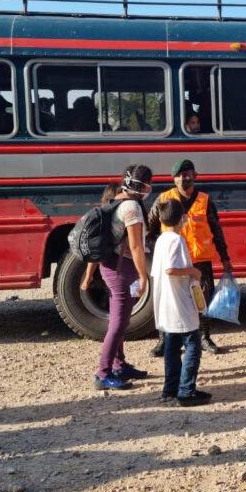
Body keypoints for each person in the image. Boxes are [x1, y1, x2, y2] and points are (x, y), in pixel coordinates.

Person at [148, 159, 232, 357]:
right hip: (173, 262)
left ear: (195, 176)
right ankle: (164, 340)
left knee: (202, 299)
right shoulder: (163, 199)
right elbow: (149, 227)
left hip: (200, 261)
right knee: (168, 300)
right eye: (179, 175)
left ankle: (204, 336)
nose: (184, 178)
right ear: (174, 178)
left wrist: (225, 257)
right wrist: (157, 250)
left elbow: (216, 230)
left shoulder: (205, 199)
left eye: (187, 174)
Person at [85, 165, 153, 390]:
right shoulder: (132, 206)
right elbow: (135, 246)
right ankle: (103, 373)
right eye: (147, 184)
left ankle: (119, 365)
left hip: (111, 267)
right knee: (120, 322)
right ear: (141, 185)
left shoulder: (115, 200)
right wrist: (143, 276)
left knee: (118, 318)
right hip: (121, 270)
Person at [151, 198, 211, 407]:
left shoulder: (160, 240)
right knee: (193, 344)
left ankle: (170, 389)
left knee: (171, 348)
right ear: (182, 218)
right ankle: (186, 390)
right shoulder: (176, 240)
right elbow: (171, 269)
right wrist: (193, 271)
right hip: (179, 303)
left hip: (166, 304)